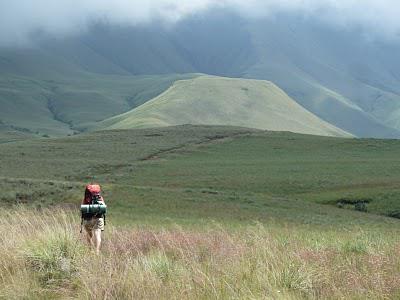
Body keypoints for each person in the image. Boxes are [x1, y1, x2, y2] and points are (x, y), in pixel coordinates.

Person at [81, 184, 106, 255]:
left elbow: (82, 209)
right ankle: (97, 251)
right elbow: (104, 208)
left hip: (87, 220)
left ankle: (90, 250)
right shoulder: (100, 198)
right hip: (98, 219)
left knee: (89, 235)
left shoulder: (85, 198)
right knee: (98, 235)